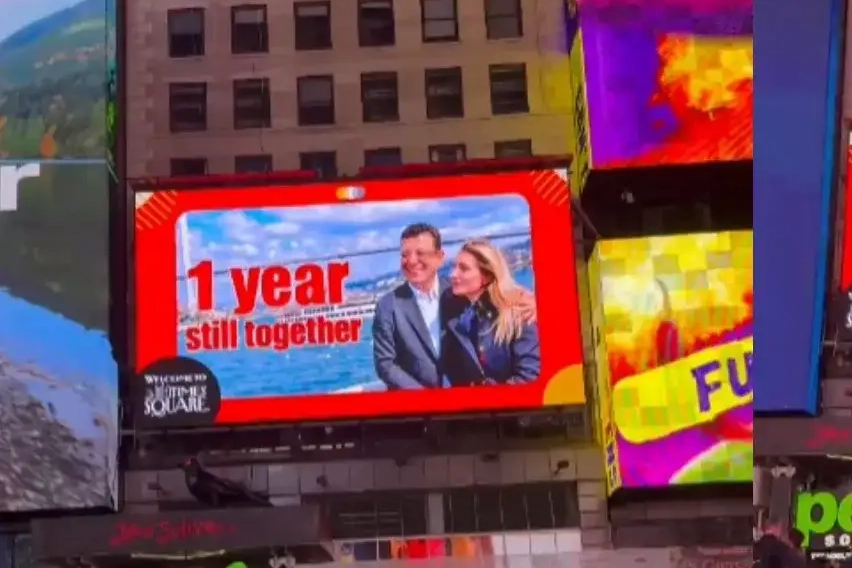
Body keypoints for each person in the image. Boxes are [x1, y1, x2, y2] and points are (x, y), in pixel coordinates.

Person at [372, 224, 536, 390]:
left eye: (420, 253)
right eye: (405, 255)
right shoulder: (388, 306)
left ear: (439, 257)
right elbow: (385, 364)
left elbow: (500, 292)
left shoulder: (459, 291)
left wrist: (533, 303)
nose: (412, 261)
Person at [441, 239, 540, 387]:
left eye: (464, 269)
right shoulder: (469, 313)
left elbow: (529, 376)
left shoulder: (520, 314)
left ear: (486, 276)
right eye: (454, 266)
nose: (453, 274)